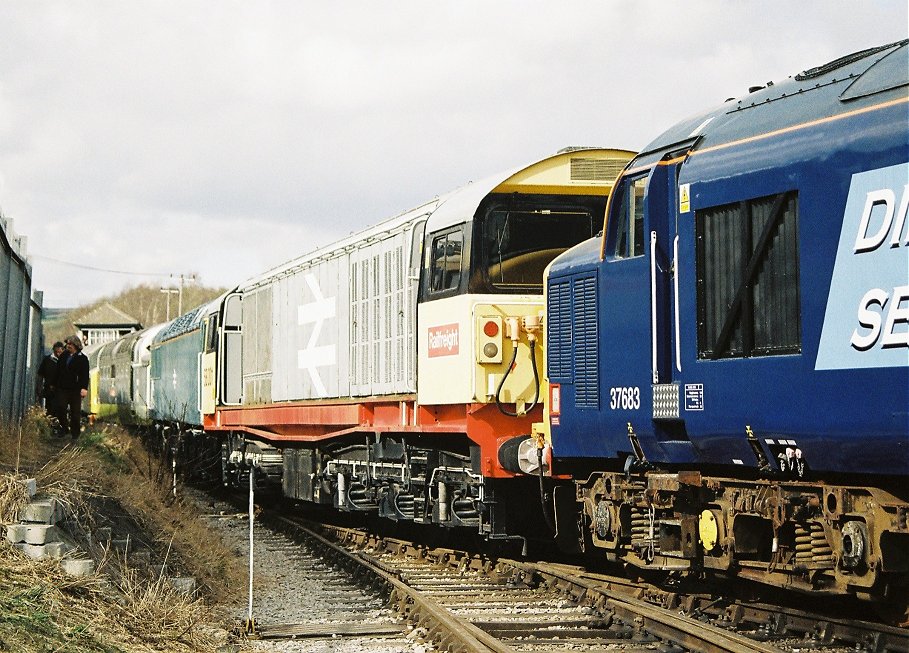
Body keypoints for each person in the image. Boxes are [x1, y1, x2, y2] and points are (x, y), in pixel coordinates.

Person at [56, 336, 89, 439]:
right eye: (67, 344)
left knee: (75, 412)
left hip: (75, 389)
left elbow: (84, 374)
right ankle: (64, 428)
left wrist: (84, 388)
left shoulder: (82, 359)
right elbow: (58, 370)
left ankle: (75, 433)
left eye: (70, 344)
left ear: (76, 345)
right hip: (63, 387)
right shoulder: (63, 356)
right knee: (61, 407)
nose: (68, 346)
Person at [36, 341, 64, 413]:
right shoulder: (47, 360)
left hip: (62, 390)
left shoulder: (65, 361)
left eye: (60, 352)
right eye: (56, 352)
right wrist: (39, 389)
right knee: (50, 409)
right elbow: (40, 374)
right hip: (50, 390)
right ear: (54, 351)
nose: (58, 354)